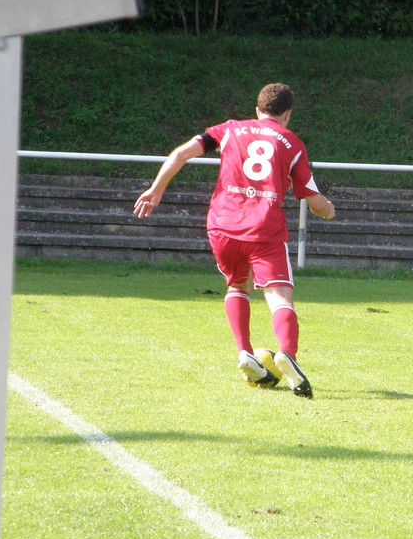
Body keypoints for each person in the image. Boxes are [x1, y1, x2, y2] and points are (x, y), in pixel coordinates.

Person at [134, 83, 335, 398]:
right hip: (264, 230)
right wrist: (329, 210)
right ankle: (287, 353)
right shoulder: (292, 144)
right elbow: (314, 200)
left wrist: (156, 189)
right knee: (279, 297)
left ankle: (244, 352)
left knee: (237, 286)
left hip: (223, 226)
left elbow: (182, 153)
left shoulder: (229, 130)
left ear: (257, 110)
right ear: (287, 114)